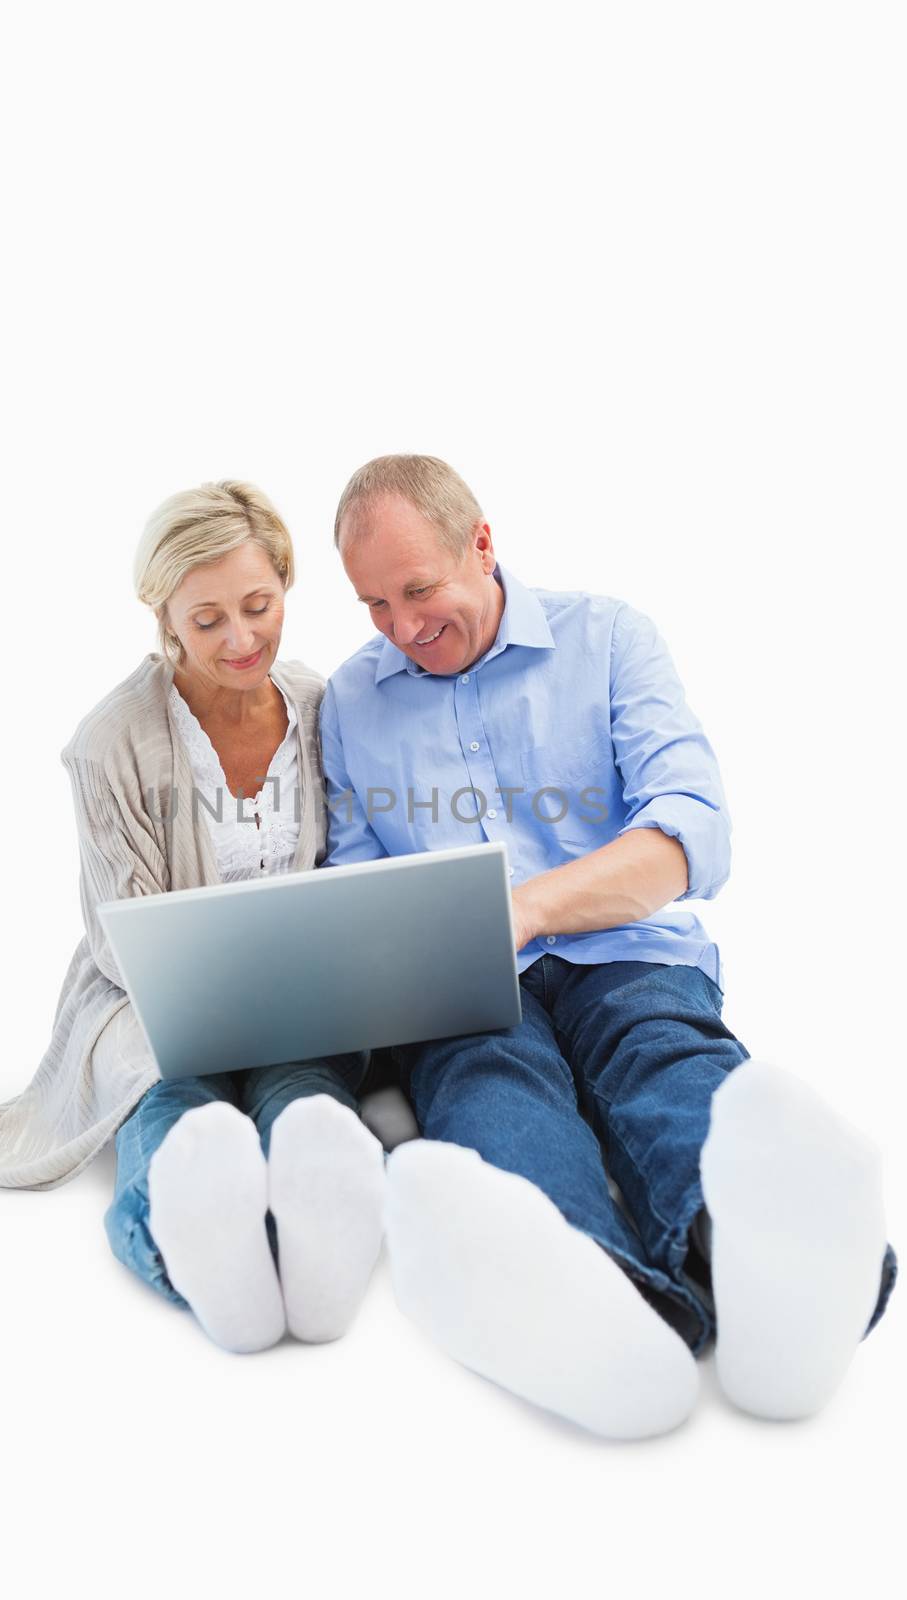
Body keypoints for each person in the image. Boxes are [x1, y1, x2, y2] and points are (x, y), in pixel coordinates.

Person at [320, 452, 897, 1439]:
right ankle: (606, 1308)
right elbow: (355, 881)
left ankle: (770, 1283)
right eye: (372, 604)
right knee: (488, 1091)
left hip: (623, 949)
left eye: (417, 589)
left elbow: (689, 835)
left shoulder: (608, 638)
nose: (401, 628)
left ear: (482, 544)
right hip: (462, 987)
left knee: (661, 1056)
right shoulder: (350, 699)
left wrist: (528, 906)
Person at [0, 481, 385, 1355]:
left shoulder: (323, 705)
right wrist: (219, 1008)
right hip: (154, 997)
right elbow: (119, 933)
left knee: (306, 1091)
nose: (240, 639)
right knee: (175, 1099)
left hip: (298, 987)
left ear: (286, 586)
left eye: (258, 606)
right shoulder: (110, 740)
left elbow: (347, 866)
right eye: (206, 619)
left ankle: (315, 1216)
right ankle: (187, 1230)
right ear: (163, 614)